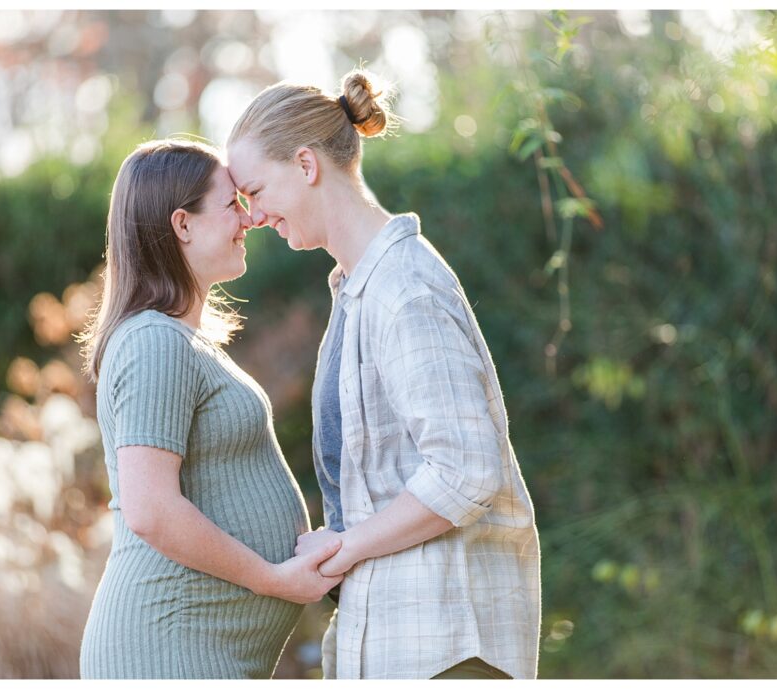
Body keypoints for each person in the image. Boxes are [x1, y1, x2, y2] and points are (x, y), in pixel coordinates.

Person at [226, 71, 541, 680]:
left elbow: (465, 468)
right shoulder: (358, 293)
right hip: (400, 643)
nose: (254, 216)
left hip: (449, 649)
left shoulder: (405, 289)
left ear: (306, 164)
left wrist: (345, 545)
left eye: (256, 191)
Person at [77, 139, 343, 679]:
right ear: (183, 224)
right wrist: (271, 578)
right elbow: (149, 510)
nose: (250, 219)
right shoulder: (154, 340)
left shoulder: (180, 340)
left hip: (195, 647)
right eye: (231, 205)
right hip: (169, 647)